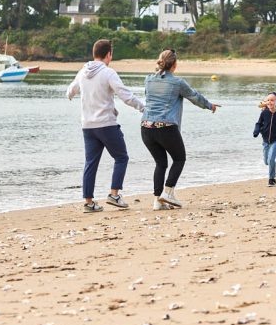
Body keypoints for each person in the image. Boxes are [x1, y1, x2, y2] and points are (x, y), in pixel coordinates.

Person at [66, 39, 144, 213]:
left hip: (87, 125)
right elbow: (126, 96)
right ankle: (114, 195)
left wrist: (79, 96)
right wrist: (143, 108)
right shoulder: (108, 73)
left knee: (90, 163)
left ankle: (88, 202)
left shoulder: (83, 71)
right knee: (121, 157)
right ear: (109, 54)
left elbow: (70, 92)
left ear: (94, 54)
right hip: (106, 124)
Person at [141, 49, 220, 209]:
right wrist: (209, 105)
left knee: (160, 163)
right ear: (174, 65)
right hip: (165, 127)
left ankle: (157, 201)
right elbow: (194, 97)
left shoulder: (148, 80)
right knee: (179, 159)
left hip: (146, 128)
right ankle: (168, 192)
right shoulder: (177, 83)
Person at [253, 91, 276, 186]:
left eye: (272, 100)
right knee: (266, 162)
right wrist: (256, 131)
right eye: (268, 100)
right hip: (265, 141)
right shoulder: (264, 113)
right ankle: (271, 170)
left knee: (271, 159)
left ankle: (272, 179)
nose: (270, 102)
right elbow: (259, 123)